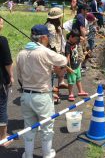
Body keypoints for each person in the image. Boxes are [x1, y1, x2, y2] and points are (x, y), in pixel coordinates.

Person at [16, 24, 67, 158]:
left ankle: (28, 155)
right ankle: (47, 154)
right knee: (47, 128)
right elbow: (63, 60)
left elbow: (19, 78)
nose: (49, 40)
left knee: (29, 128)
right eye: (48, 37)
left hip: (26, 96)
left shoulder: (21, 53)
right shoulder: (44, 51)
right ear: (43, 37)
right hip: (42, 97)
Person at [45, 7, 67, 102]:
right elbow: (52, 43)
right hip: (51, 54)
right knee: (50, 74)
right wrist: (56, 57)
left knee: (52, 74)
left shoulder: (55, 25)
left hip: (55, 52)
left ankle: (52, 94)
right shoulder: (51, 27)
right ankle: (50, 96)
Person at [0, 18, 14, 146]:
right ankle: (3, 137)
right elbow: (8, 62)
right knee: (2, 107)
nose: (2, 22)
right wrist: (11, 76)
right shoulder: (2, 40)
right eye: (0, 21)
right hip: (1, 81)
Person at [65, 30, 88, 101]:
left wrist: (83, 40)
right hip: (71, 66)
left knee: (78, 78)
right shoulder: (68, 45)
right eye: (75, 39)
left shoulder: (75, 42)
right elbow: (67, 56)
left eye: (77, 39)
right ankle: (70, 93)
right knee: (71, 81)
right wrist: (68, 67)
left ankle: (80, 91)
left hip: (77, 64)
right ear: (71, 37)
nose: (77, 40)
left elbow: (82, 39)